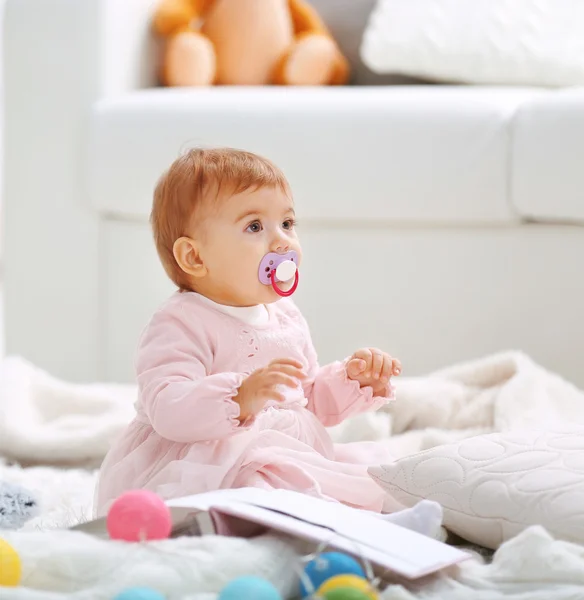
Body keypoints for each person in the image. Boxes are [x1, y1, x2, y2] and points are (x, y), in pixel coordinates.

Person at [94, 148, 442, 536]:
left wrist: (354, 380)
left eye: (288, 223)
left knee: (368, 470)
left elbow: (307, 400)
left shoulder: (286, 316)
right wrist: (239, 398)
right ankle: (351, 528)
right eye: (255, 227)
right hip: (208, 462)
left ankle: (384, 517)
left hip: (285, 449)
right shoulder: (180, 322)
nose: (282, 241)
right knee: (267, 484)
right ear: (194, 256)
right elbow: (166, 407)